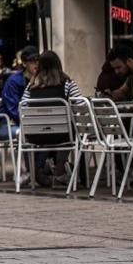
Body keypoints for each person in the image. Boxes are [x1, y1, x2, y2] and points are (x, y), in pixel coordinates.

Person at [20, 50, 81, 186]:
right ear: (58, 65)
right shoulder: (67, 83)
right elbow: (81, 105)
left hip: (35, 136)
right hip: (62, 135)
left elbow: (22, 107)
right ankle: (60, 170)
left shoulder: (31, 85)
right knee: (73, 127)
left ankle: (34, 171)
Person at [0, 46, 39, 138]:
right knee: (28, 133)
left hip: (32, 122)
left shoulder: (41, 79)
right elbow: (14, 110)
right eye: (32, 60)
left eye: (38, 60)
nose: (36, 63)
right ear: (24, 63)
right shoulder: (13, 81)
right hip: (7, 123)